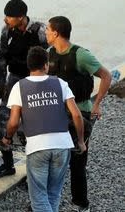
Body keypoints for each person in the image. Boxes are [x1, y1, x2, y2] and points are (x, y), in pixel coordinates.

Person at [2, 46, 86, 212]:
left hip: (37, 147)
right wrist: (81, 141)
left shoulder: (20, 86)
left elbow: (13, 122)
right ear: (47, 65)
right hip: (62, 145)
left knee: (39, 198)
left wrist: (7, 138)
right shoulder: (60, 83)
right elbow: (76, 115)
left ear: (28, 65)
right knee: (53, 193)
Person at [46, 16, 112, 212]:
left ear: (56, 32)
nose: (46, 32)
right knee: (52, 160)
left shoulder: (81, 55)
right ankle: (46, 203)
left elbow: (106, 75)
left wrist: (96, 104)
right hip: (56, 114)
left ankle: (81, 205)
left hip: (79, 115)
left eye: (48, 29)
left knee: (77, 161)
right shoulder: (49, 53)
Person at [0, 0, 48, 180]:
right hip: (14, 80)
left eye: (10, 17)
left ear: (21, 18)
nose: (6, 19)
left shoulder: (39, 31)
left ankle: (37, 172)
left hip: (35, 82)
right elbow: (1, 57)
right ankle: (7, 164)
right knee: (3, 122)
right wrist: (1, 84)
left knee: (35, 128)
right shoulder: (7, 30)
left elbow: (50, 58)